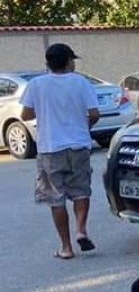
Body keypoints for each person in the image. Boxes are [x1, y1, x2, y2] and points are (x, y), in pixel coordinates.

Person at [19, 43, 101, 260]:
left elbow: (25, 115)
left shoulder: (36, 85)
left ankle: (66, 247)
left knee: (56, 198)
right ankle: (81, 230)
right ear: (68, 62)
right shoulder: (81, 83)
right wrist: (84, 128)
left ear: (48, 63)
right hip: (79, 146)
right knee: (81, 190)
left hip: (50, 149)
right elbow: (94, 114)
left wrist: (46, 110)